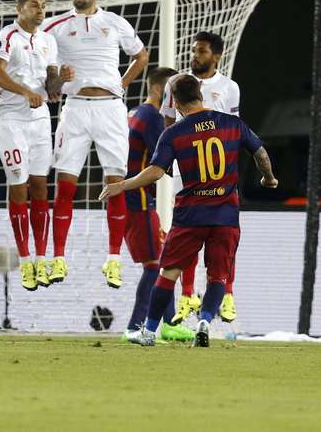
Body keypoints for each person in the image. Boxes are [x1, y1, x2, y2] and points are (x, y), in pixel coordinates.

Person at [100, 75, 277, 347]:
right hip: (226, 215)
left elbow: (155, 172)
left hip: (190, 216)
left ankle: (147, 332)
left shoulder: (173, 133)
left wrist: (121, 185)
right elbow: (260, 153)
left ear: (176, 101)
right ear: (200, 95)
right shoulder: (233, 124)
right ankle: (204, 323)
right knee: (217, 275)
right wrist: (268, 178)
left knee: (168, 272)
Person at [43, 0, 150, 291]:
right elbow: (49, 85)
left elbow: (141, 55)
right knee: (65, 184)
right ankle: (58, 258)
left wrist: (121, 83)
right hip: (74, 108)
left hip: (110, 110)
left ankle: (113, 259)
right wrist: (59, 77)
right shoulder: (54, 27)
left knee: (116, 183)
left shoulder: (115, 23)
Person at [0, 0, 69, 291]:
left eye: (43, 5)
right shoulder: (6, 37)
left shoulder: (48, 40)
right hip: (11, 121)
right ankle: (24, 262)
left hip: (39, 121)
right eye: (35, 5)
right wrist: (25, 92)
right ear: (19, 8)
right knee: (19, 186)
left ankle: (40, 258)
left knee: (40, 185)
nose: (41, 10)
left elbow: (51, 86)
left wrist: (61, 80)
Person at [161, 31, 241, 324]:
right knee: (187, 232)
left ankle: (227, 295)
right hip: (187, 168)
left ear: (216, 56)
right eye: (194, 51)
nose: (196, 56)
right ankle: (186, 296)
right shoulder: (177, 84)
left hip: (219, 172)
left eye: (203, 51)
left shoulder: (229, 88)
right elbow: (168, 120)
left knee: (224, 235)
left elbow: (234, 126)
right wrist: (167, 155)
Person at [120, 67, 193, 342]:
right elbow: (164, 162)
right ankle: (134, 326)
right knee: (155, 265)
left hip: (133, 197)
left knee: (163, 260)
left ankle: (170, 323)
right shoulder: (151, 117)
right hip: (136, 198)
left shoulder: (138, 113)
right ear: (159, 90)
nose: (173, 101)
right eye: (171, 93)